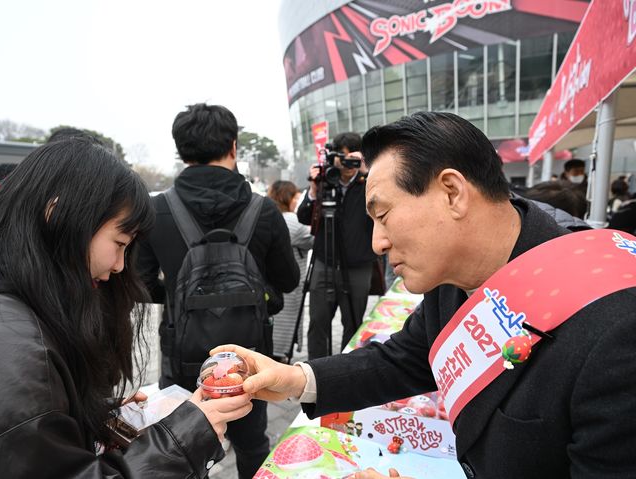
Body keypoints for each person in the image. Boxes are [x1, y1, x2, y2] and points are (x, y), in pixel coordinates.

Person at [215, 112, 636, 479]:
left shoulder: (616, 331)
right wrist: (292, 379)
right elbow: (405, 359)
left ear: (452, 192)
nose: (378, 243)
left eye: (382, 215)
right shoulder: (453, 277)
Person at [0, 138, 253, 478]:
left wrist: (82, 416)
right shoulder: (5, 349)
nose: (120, 265)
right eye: (119, 243)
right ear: (58, 213)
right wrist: (184, 437)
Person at [136, 103, 299, 479]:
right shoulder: (263, 210)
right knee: (252, 442)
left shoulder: (157, 210)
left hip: (182, 359)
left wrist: (179, 297)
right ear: (233, 147)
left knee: (181, 445)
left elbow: (141, 285)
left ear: (180, 151)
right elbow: (288, 280)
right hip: (249, 359)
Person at [297, 132, 377, 359]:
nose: (349, 165)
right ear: (333, 157)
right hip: (324, 262)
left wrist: (368, 174)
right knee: (318, 322)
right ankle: (315, 373)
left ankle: (346, 373)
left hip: (358, 264)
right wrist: (314, 189)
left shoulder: (370, 183)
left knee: (353, 323)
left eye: (354, 158)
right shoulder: (324, 181)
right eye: (344, 158)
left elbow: (384, 211)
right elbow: (303, 216)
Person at [267, 180, 314, 360]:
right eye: (295, 196)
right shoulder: (291, 221)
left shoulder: (271, 217)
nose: (297, 200)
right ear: (286, 197)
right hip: (289, 290)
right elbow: (318, 236)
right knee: (281, 343)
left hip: (273, 287)